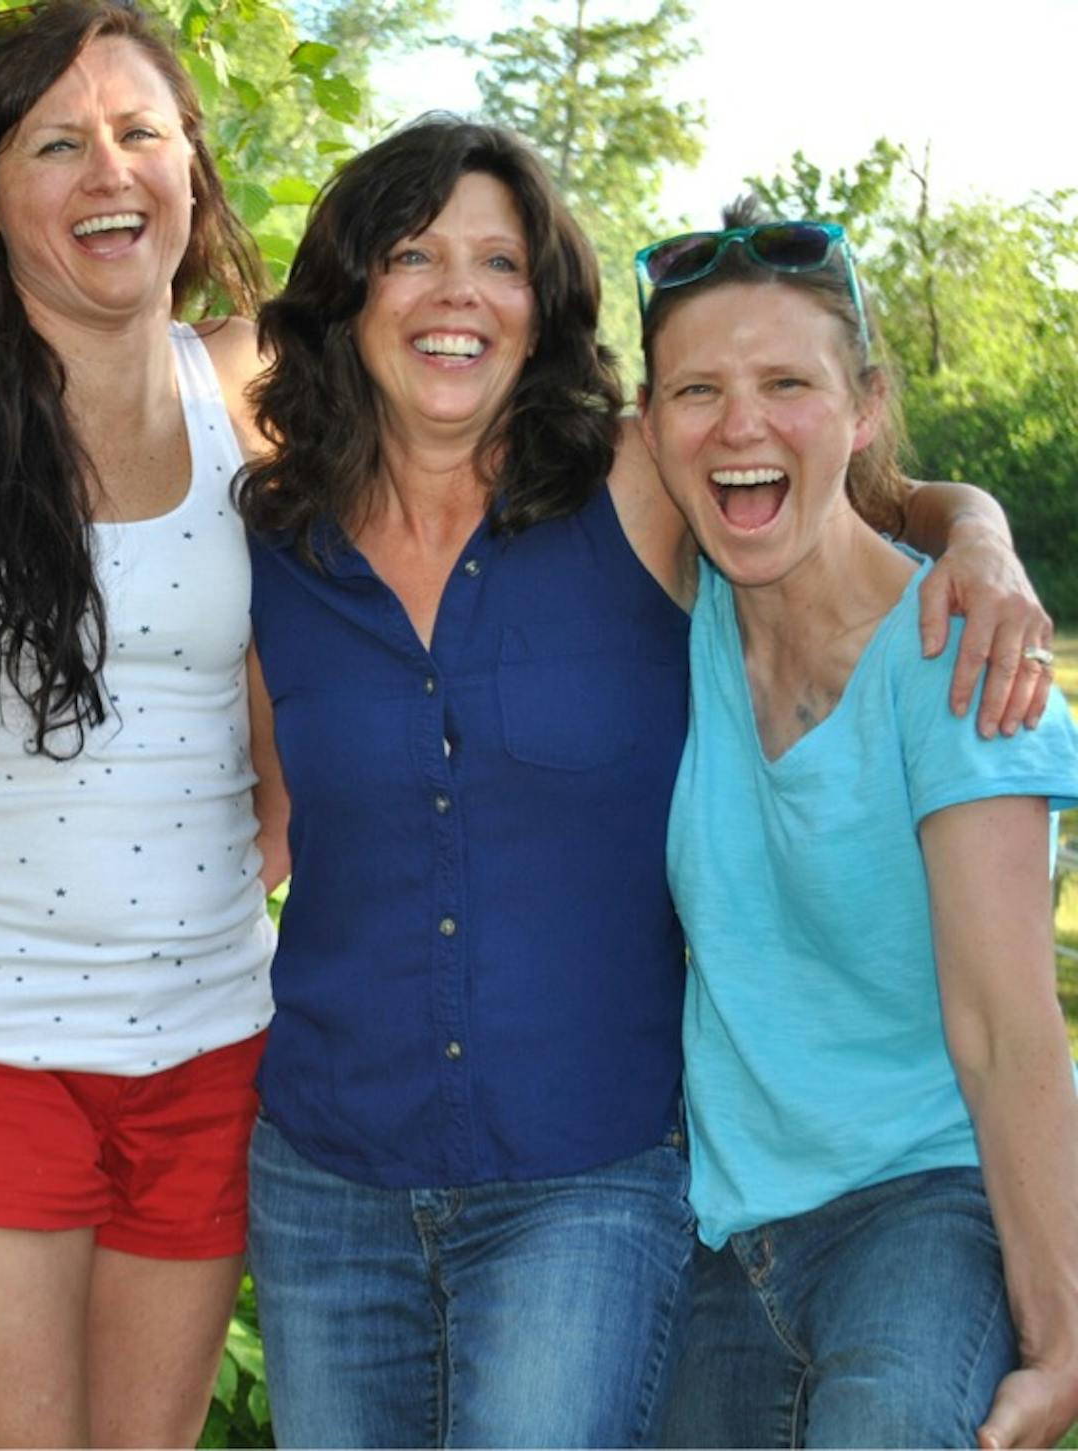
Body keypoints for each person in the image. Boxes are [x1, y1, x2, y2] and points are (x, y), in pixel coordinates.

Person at [237, 115, 1055, 1448]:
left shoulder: (628, 483)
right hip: (327, 1170)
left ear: (540, 303)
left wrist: (981, 531)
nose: (457, 294)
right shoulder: (274, 536)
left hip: (584, 1174)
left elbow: (814, 469)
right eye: (410, 253)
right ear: (351, 292)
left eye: (499, 262)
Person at [0, 3, 282, 1444]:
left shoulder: (258, 393)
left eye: (143, 133)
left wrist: (943, 515)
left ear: (191, 170)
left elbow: (603, 437)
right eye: (57, 143)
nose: (111, 172)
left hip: (211, 1042)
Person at [635, 207, 1078, 1449]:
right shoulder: (675, 598)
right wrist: (976, 518)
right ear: (652, 423)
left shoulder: (958, 665)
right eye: (697, 390)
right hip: (724, 1233)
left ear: (865, 405)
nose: (740, 425)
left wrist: (1064, 1338)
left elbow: (1006, 1030)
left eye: (788, 383)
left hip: (926, 1206)